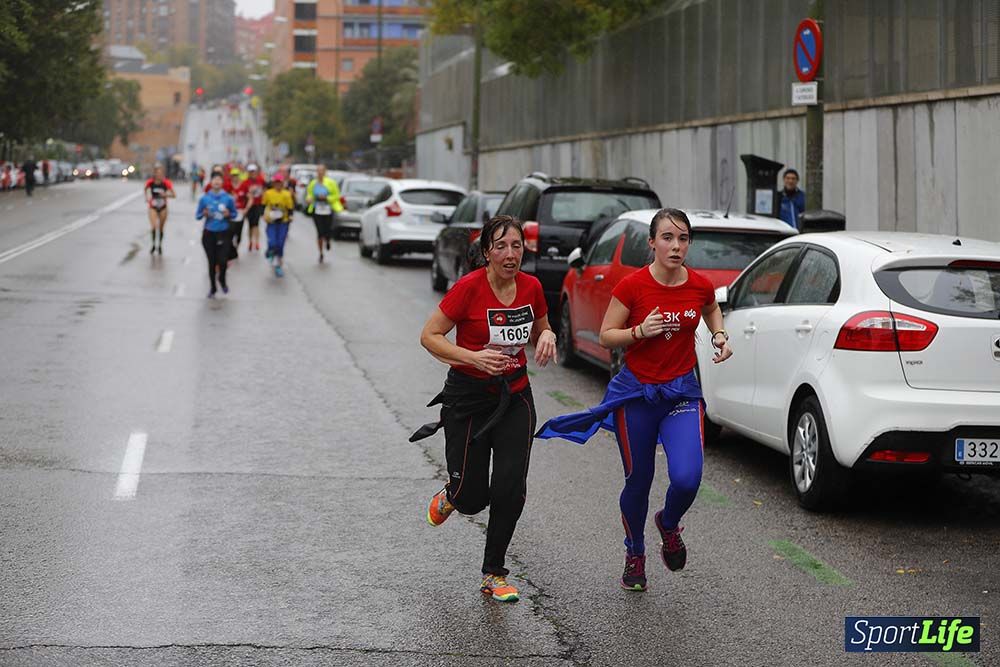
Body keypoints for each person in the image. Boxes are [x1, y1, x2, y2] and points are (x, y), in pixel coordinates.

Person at [535, 208, 733, 592]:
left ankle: (669, 523)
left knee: (688, 477)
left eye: (683, 239)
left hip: (681, 392)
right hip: (637, 394)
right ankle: (635, 551)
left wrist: (720, 336)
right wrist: (640, 330)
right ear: (652, 243)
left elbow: (710, 308)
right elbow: (607, 335)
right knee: (638, 480)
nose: (676, 246)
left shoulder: (700, 285)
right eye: (668, 238)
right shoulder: (633, 286)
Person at [413, 215, 557, 603]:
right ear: (486, 252)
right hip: (468, 398)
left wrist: (547, 337)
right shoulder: (468, 288)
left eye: (516, 246)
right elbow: (430, 336)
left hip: (515, 396)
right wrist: (473, 358)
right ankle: (452, 496)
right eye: (501, 247)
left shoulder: (532, 286)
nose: (510, 255)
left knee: (510, 486)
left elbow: (543, 325)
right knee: (473, 496)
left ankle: (494, 572)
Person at [195, 172, 238, 298]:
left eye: (219, 179)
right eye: (214, 179)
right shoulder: (204, 198)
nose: (217, 182)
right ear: (210, 182)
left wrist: (228, 214)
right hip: (209, 233)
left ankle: (222, 280)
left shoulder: (228, 198)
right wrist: (204, 213)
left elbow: (235, 214)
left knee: (223, 261)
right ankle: (213, 287)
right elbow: (197, 216)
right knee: (212, 262)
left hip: (223, 233)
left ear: (222, 182)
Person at [305, 164, 344, 263]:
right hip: (317, 210)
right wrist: (309, 199)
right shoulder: (313, 183)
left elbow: (337, 195)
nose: (320, 173)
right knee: (319, 232)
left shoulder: (331, 183)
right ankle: (321, 253)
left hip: (328, 209)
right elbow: (309, 194)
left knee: (328, 230)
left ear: (325, 172)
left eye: (321, 171)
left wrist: (326, 198)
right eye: (318, 171)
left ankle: (328, 239)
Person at [262, 174, 294, 277]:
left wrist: (290, 216)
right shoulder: (268, 193)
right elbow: (262, 205)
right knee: (272, 241)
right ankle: (270, 250)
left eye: (280, 183)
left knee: (280, 243)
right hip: (271, 221)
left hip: (283, 222)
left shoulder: (286, 194)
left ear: (283, 184)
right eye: (276, 183)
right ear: (273, 183)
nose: (278, 185)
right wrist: (263, 215)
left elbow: (290, 208)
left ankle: (278, 265)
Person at [144, 164, 176, 255]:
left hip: (163, 206)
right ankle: (153, 245)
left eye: (160, 173)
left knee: (161, 228)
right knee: (154, 227)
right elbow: (145, 189)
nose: (159, 175)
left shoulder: (166, 183)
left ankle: (160, 245)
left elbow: (174, 195)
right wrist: (147, 197)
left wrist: (165, 195)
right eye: (157, 173)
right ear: (154, 173)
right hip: (153, 206)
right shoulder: (150, 182)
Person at [237, 164, 267, 252]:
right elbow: (242, 193)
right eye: (251, 172)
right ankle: (250, 241)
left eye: (254, 171)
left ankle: (257, 242)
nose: (252, 173)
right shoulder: (245, 182)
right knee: (250, 225)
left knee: (256, 225)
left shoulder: (261, 180)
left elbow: (266, 188)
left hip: (258, 205)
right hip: (249, 206)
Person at [225, 167, 245, 258]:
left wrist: (246, 209)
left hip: (240, 213)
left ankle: (236, 247)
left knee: (238, 234)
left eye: (236, 175)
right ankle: (231, 250)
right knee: (230, 232)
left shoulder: (243, 186)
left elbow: (249, 198)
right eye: (233, 175)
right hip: (231, 213)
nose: (235, 177)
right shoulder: (228, 186)